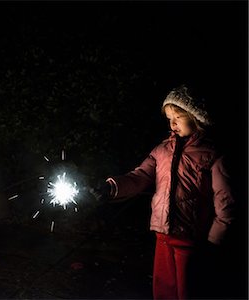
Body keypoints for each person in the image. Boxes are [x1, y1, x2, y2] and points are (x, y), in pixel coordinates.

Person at [90, 85, 236, 299]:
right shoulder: (161, 150)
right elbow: (139, 177)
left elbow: (226, 202)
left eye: (178, 116)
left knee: (189, 291)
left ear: (196, 118)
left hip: (191, 240)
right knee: (163, 290)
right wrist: (111, 187)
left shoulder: (212, 155)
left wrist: (214, 241)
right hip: (162, 236)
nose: (173, 123)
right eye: (169, 118)